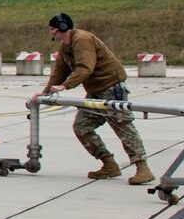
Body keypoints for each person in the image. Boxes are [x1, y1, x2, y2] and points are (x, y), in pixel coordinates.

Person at [38, 13, 152, 184]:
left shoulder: (81, 40)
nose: (51, 33)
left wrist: (65, 86)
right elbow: (59, 72)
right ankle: (109, 164)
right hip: (96, 92)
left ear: (63, 28)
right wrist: (45, 93)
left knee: (122, 126)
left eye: (53, 29)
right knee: (82, 126)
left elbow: (85, 68)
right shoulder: (65, 47)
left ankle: (143, 168)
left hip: (112, 87)